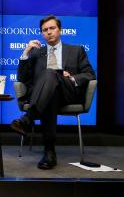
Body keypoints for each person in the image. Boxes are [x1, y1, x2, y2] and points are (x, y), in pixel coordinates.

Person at [10, 15, 96, 170]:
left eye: (52, 28)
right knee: (50, 85)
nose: (49, 32)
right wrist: (26, 51)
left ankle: (29, 118)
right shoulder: (36, 53)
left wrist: (71, 78)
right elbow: (22, 78)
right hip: (47, 96)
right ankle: (49, 152)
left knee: (51, 75)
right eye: (45, 30)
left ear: (60, 30)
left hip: (68, 93)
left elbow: (90, 74)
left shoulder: (76, 50)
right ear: (42, 34)